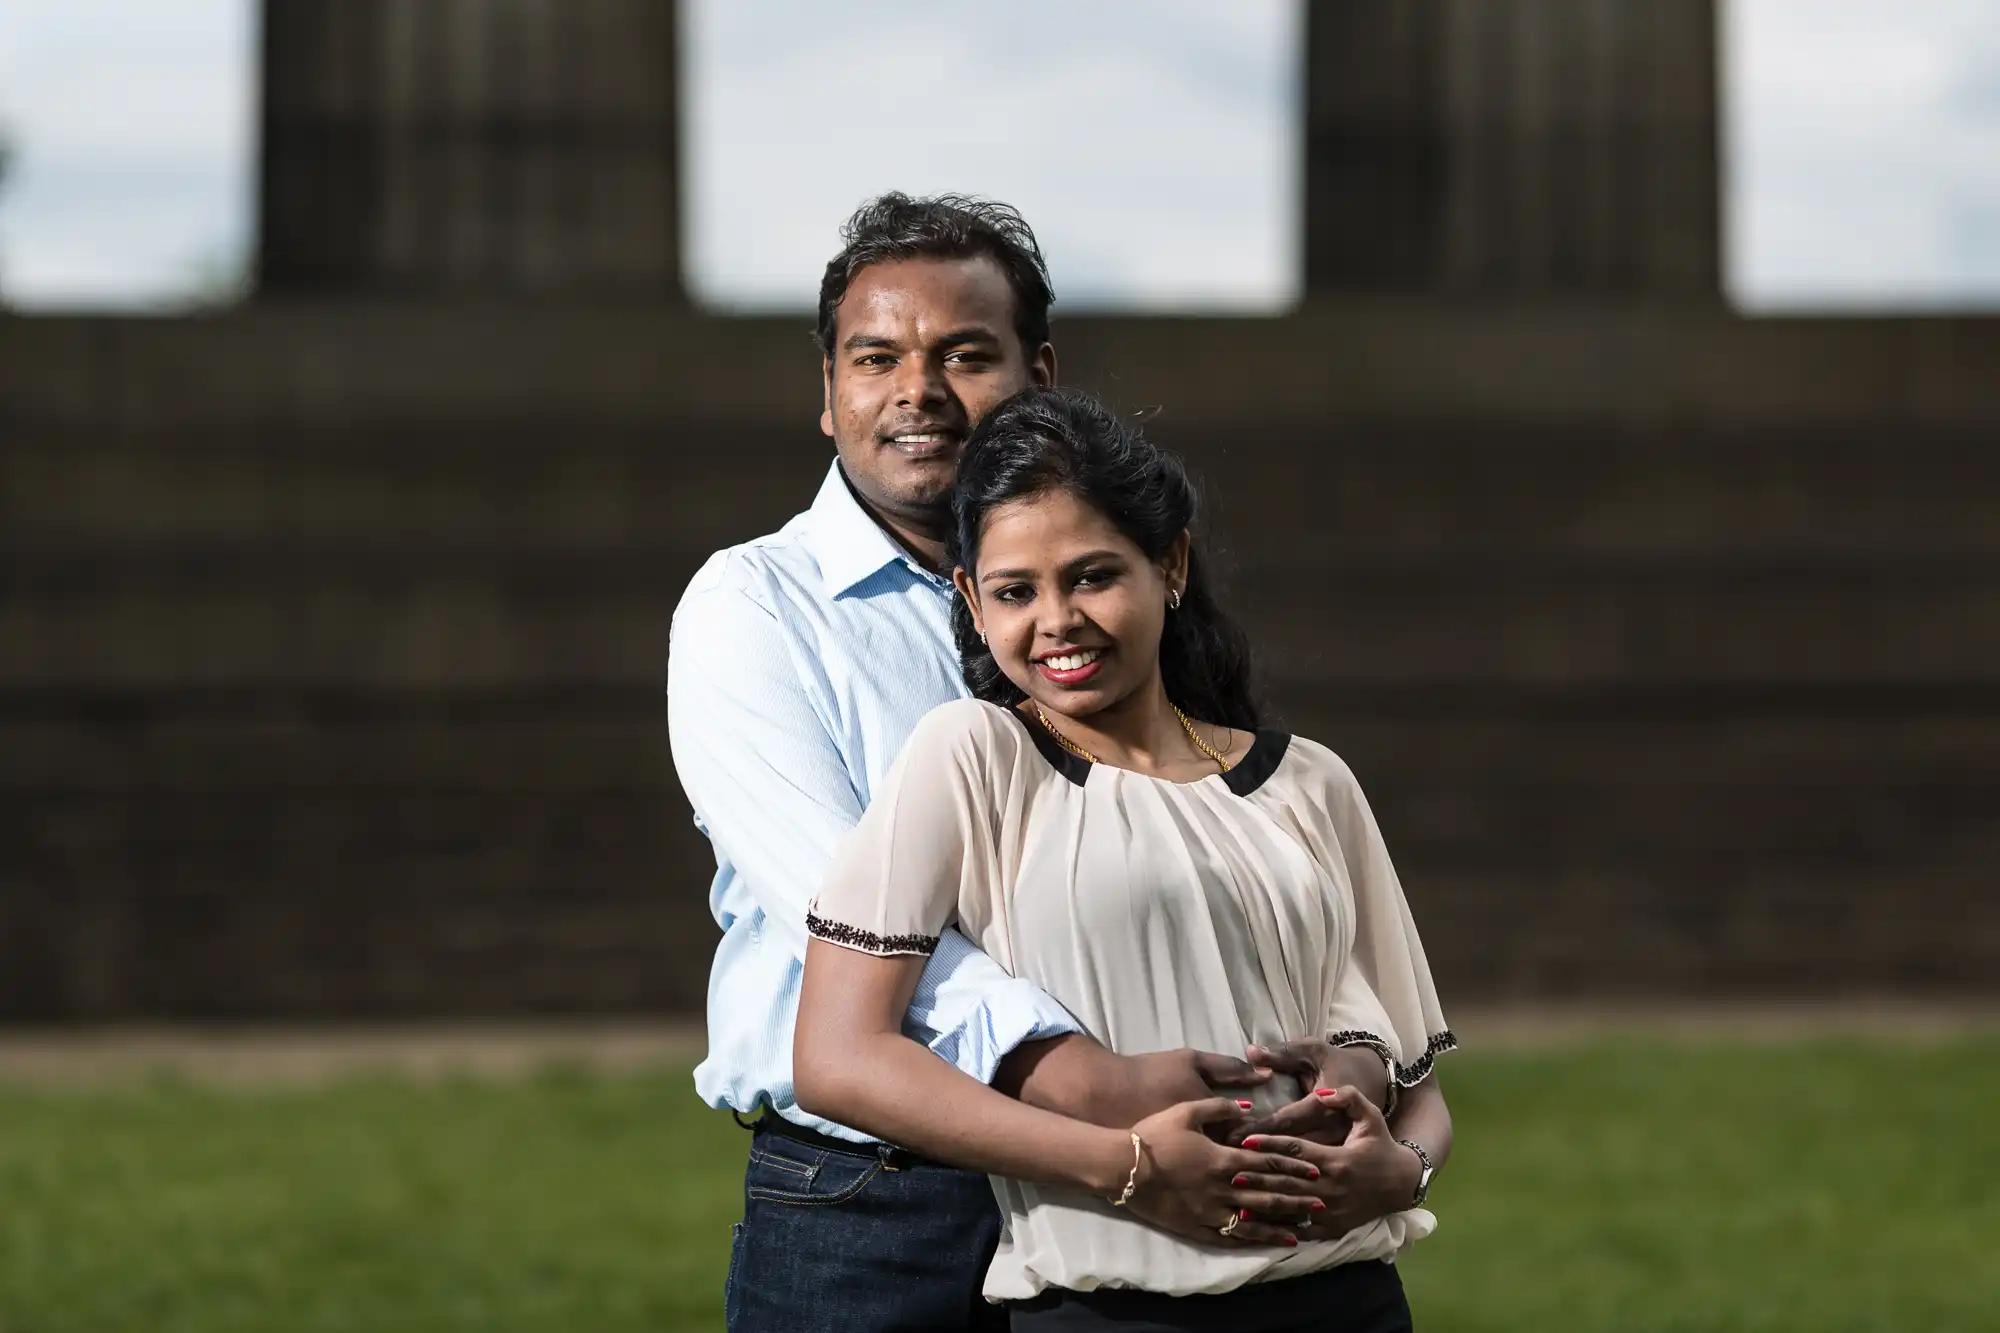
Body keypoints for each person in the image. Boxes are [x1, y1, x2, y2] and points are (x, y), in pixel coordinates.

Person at [669, 195, 1393, 1332]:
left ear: (1038, 372)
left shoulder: (1100, 604)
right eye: (874, 359)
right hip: (878, 1194)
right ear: (827, 393)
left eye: (964, 353)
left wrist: (1322, 1093)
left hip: (1132, 1178)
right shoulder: (751, 607)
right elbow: (834, 912)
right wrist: (1080, 1078)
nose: (916, 390)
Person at [794, 387, 1458, 1331]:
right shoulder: (973, 756)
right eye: (1017, 591)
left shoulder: (1311, 780)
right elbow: (837, 1057)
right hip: (1109, 1313)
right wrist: (1127, 1163)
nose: (1058, 619)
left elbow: (1418, 1095)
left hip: (1348, 1302)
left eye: (1094, 575)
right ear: (972, 602)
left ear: (1170, 564)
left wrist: (1402, 1169)